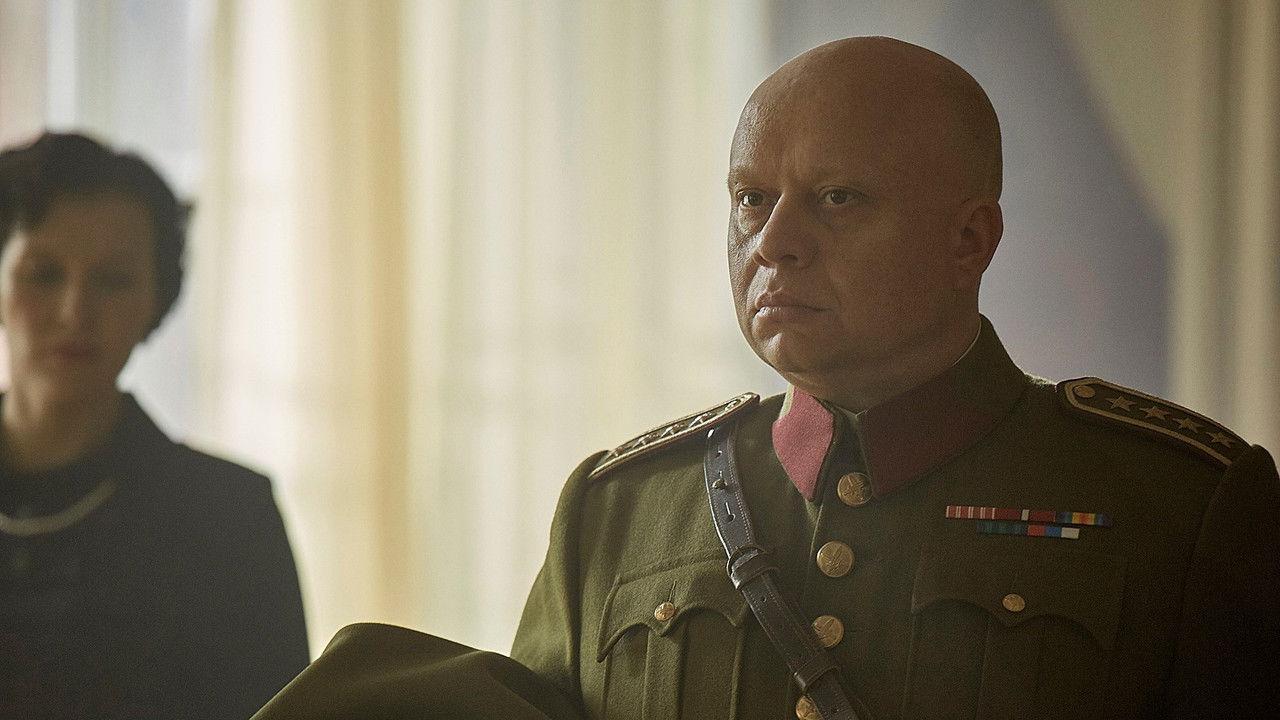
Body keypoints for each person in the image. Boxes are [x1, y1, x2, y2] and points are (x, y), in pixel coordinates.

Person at [253, 36, 1279, 720]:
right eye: (750, 199)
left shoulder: (1180, 504)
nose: (774, 242)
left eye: (837, 199)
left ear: (969, 239)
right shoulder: (621, 511)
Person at [0, 132, 309, 719]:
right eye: (43, 274)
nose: (75, 312)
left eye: (113, 280)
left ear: (156, 303)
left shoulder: (228, 518)